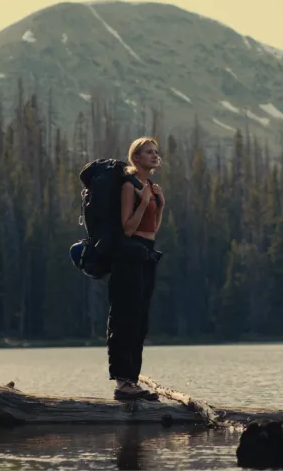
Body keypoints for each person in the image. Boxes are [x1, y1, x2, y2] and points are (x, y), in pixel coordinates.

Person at [107, 136, 165, 401]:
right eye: (148, 152)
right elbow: (128, 228)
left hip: (147, 254)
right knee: (125, 317)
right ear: (136, 157)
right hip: (129, 254)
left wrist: (159, 204)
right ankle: (123, 383)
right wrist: (144, 202)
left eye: (155, 151)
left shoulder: (150, 186)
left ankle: (133, 380)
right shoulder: (130, 186)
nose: (154, 155)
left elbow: (152, 228)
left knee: (140, 320)